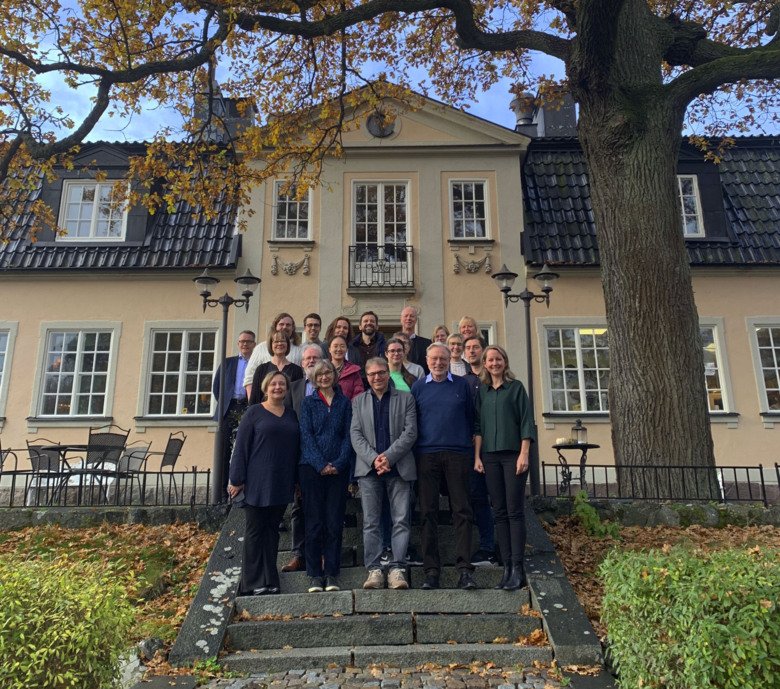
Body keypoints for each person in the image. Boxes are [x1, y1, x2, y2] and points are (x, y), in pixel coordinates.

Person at [411, 342, 478, 591]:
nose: (438, 363)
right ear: (426, 361)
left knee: (462, 510)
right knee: (427, 512)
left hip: (457, 453)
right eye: (434, 359)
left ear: (450, 359)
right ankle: (431, 571)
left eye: (443, 358)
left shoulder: (462, 385)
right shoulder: (418, 388)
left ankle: (464, 570)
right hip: (426, 455)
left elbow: (471, 419)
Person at [228, 371, 300, 596]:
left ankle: (270, 580)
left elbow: (297, 450)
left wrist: (297, 481)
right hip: (257, 481)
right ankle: (252, 582)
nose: (278, 387)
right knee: (255, 532)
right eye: (274, 384)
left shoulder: (291, 415)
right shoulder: (254, 413)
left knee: (272, 532)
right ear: (265, 388)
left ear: (286, 389)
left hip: (281, 481)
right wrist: (236, 479)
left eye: (282, 384)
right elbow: (240, 447)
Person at [351, 357, 417, 590]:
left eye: (381, 373)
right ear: (366, 377)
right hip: (369, 470)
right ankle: (375, 570)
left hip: (399, 468)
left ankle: (398, 568)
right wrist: (374, 458)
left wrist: (388, 457)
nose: (377, 377)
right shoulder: (358, 401)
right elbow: (356, 435)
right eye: (372, 374)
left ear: (388, 373)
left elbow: (410, 433)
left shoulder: (406, 398)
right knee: (371, 522)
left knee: (400, 520)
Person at [474, 345, 534, 591]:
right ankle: (506, 566)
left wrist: (524, 454)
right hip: (489, 456)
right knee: (498, 511)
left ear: (504, 362)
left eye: (498, 359)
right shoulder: (483, 392)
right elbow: (478, 426)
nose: (494, 363)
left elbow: (526, 422)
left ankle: (517, 567)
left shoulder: (516, 388)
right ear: (485, 364)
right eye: (490, 359)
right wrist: (477, 457)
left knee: (514, 510)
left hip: (513, 456)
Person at [298, 360, 353, 593]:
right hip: (311, 469)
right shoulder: (308, 403)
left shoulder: (344, 403)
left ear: (334, 375)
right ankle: (314, 574)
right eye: (319, 374)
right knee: (314, 522)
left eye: (328, 372)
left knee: (333, 521)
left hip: (338, 471)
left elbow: (348, 436)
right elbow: (306, 436)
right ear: (314, 378)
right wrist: (320, 464)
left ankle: (331, 573)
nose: (324, 377)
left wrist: (338, 463)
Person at [280, 345, 323, 573]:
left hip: (325, 455)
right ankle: (298, 554)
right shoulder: (293, 388)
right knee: (299, 507)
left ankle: (322, 553)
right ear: (302, 362)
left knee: (323, 507)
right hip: (300, 456)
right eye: (308, 358)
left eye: (316, 357)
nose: (311, 361)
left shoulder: (330, 388)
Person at [462, 335, 497, 567]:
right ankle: (485, 546)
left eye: (476, 347)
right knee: (475, 497)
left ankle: (494, 547)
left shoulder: (491, 382)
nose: (472, 351)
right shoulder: (462, 382)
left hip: (493, 447)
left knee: (493, 498)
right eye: (468, 348)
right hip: (469, 447)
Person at [212, 330, 257, 496]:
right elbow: (217, 387)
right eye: (242, 341)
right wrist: (226, 402)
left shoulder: (257, 363)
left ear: (254, 344)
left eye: (248, 341)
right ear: (238, 344)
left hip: (248, 407)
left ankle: (244, 488)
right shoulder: (227, 362)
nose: (244, 344)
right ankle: (222, 493)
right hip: (229, 408)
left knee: (246, 447)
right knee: (223, 449)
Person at [244, 313, 303, 390]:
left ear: (293, 328)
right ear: (275, 326)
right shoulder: (260, 348)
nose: (285, 327)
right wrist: (252, 401)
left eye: (288, 325)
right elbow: (249, 377)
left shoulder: (300, 350)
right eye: (281, 324)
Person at [247, 333, 304, 404]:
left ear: (287, 345)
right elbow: (255, 398)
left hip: (287, 412)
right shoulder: (261, 369)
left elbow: (297, 397)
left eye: (283, 341)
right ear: (271, 345)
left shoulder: (296, 370)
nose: (279, 344)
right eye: (276, 341)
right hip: (264, 412)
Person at [329, 335, 365, 400]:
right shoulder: (323, 369)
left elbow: (358, 395)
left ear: (346, 350)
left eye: (342, 346)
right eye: (335, 346)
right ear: (329, 349)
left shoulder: (353, 371)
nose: (339, 349)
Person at [400, 306, 431, 373]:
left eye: (412, 316)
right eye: (406, 316)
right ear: (401, 319)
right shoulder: (392, 344)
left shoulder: (427, 344)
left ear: (416, 320)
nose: (408, 318)